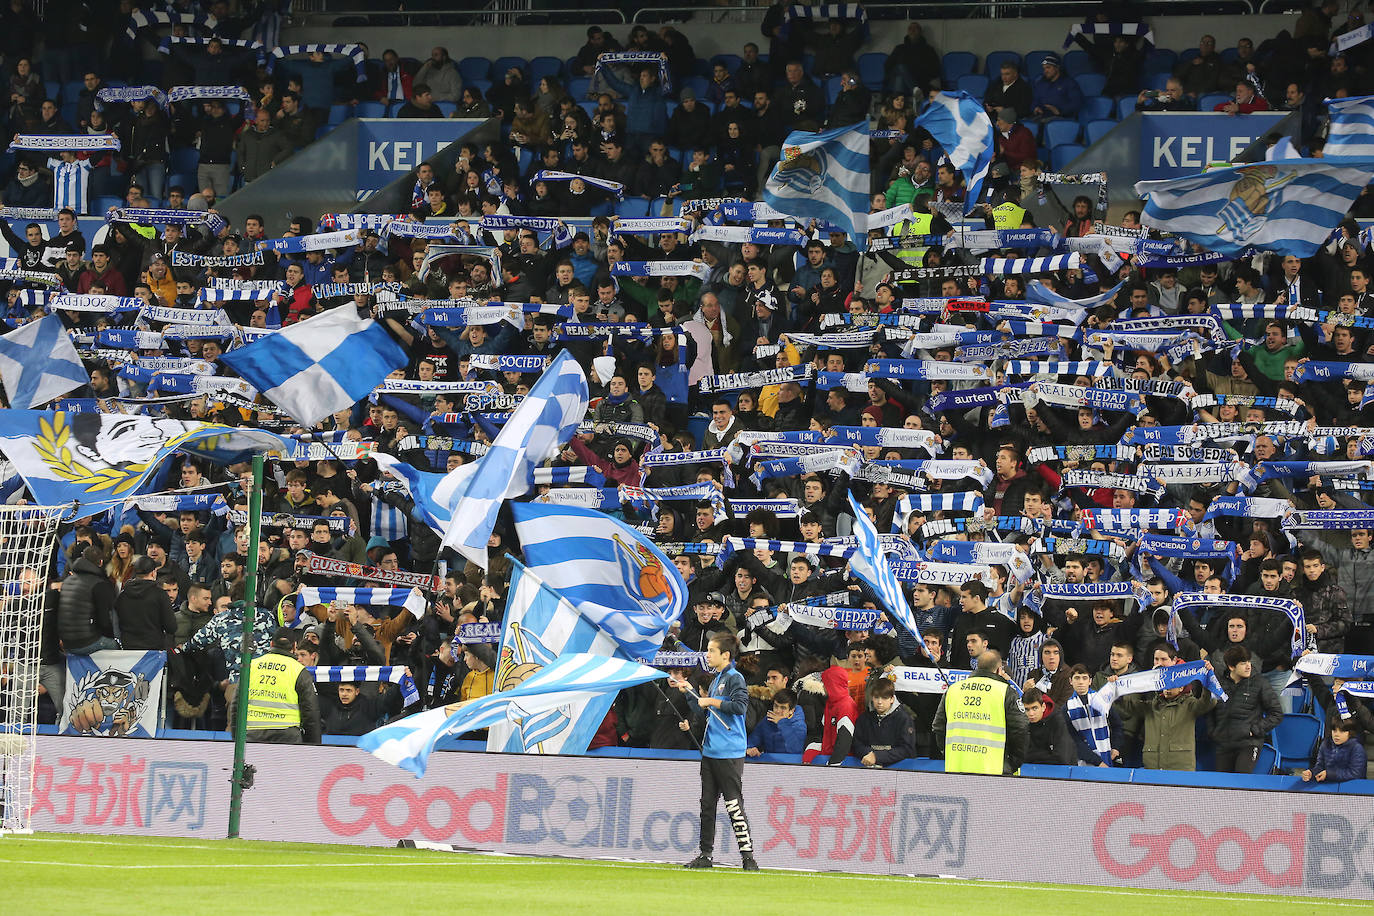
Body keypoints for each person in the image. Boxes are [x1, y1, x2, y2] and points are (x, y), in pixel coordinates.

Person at [673, 632, 758, 871]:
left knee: (733, 804)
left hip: (729, 752)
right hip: (710, 752)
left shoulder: (734, 678)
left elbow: (740, 707)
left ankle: (748, 857)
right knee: (707, 805)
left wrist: (711, 701)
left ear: (725, 655)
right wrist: (691, 695)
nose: (707, 655)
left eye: (711, 651)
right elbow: (708, 716)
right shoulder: (716, 678)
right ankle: (705, 855)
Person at [933, 650, 1029, 774]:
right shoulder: (1005, 692)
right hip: (994, 770)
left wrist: (949, 754)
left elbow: (939, 728)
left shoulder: (953, 690)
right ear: (999, 670)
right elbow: (1021, 729)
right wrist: (1012, 763)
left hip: (956, 768)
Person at [1209, 645, 1284, 773]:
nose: (1248, 666)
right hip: (1224, 744)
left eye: (1249, 661)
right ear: (1231, 667)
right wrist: (1213, 732)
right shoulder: (1218, 684)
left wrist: (1254, 730)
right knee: (1221, 787)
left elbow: (1277, 713)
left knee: (1241, 783)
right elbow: (1211, 711)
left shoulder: (1260, 683)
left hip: (1249, 743)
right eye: (1243, 663)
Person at [243, 628, 322, 744]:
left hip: (251, 734)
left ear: (271, 644)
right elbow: (310, 712)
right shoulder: (299, 670)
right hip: (287, 735)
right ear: (294, 647)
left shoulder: (251, 666)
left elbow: (236, 705)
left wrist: (237, 738)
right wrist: (313, 745)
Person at [115, 555, 176, 651]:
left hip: (128, 648)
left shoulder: (122, 595)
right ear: (153, 573)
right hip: (153, 649)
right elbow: (171, 627)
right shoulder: (160, 594)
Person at [852, 678, 916, 767]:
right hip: (868, 766)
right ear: (872, 697)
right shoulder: (864, 718)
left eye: (884, 698)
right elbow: (857, 744)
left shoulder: (904, 719)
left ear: (892, 699)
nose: (879, 702)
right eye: (876, 697)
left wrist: (877, 756)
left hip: (898, 769)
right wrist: (869, 755)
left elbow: (907, 749)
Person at [1302, 719, 1367, 784]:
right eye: (1334, 730)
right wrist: (1311, 773)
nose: (1336, 735)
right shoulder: (1325, 744)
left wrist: (1329, 774)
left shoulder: (1357, 748)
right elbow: (1320, 766)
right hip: (1329, 784)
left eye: (1341, 731)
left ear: (1350, 733)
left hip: (1351, 786)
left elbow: (1356, 774)